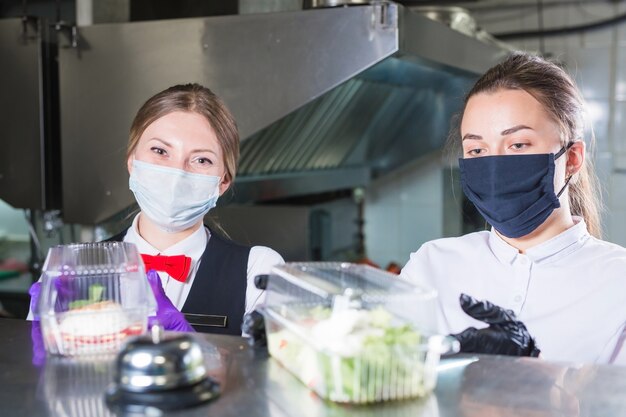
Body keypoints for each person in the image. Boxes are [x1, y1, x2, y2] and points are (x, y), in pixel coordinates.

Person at [400, 52, 626, 364]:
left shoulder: (618, 282)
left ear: (572, 159)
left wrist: (538, 375)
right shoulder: (430, 267)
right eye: (477, 149)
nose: (494, 165)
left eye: (518, 144)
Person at [31, 83, 284, 336]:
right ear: (132, 162)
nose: (177, 173)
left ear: (223, 182)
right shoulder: (70, 269)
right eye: (160, 151)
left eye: (201, 160)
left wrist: (196, 348)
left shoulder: (257, 270)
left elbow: (268, 372)